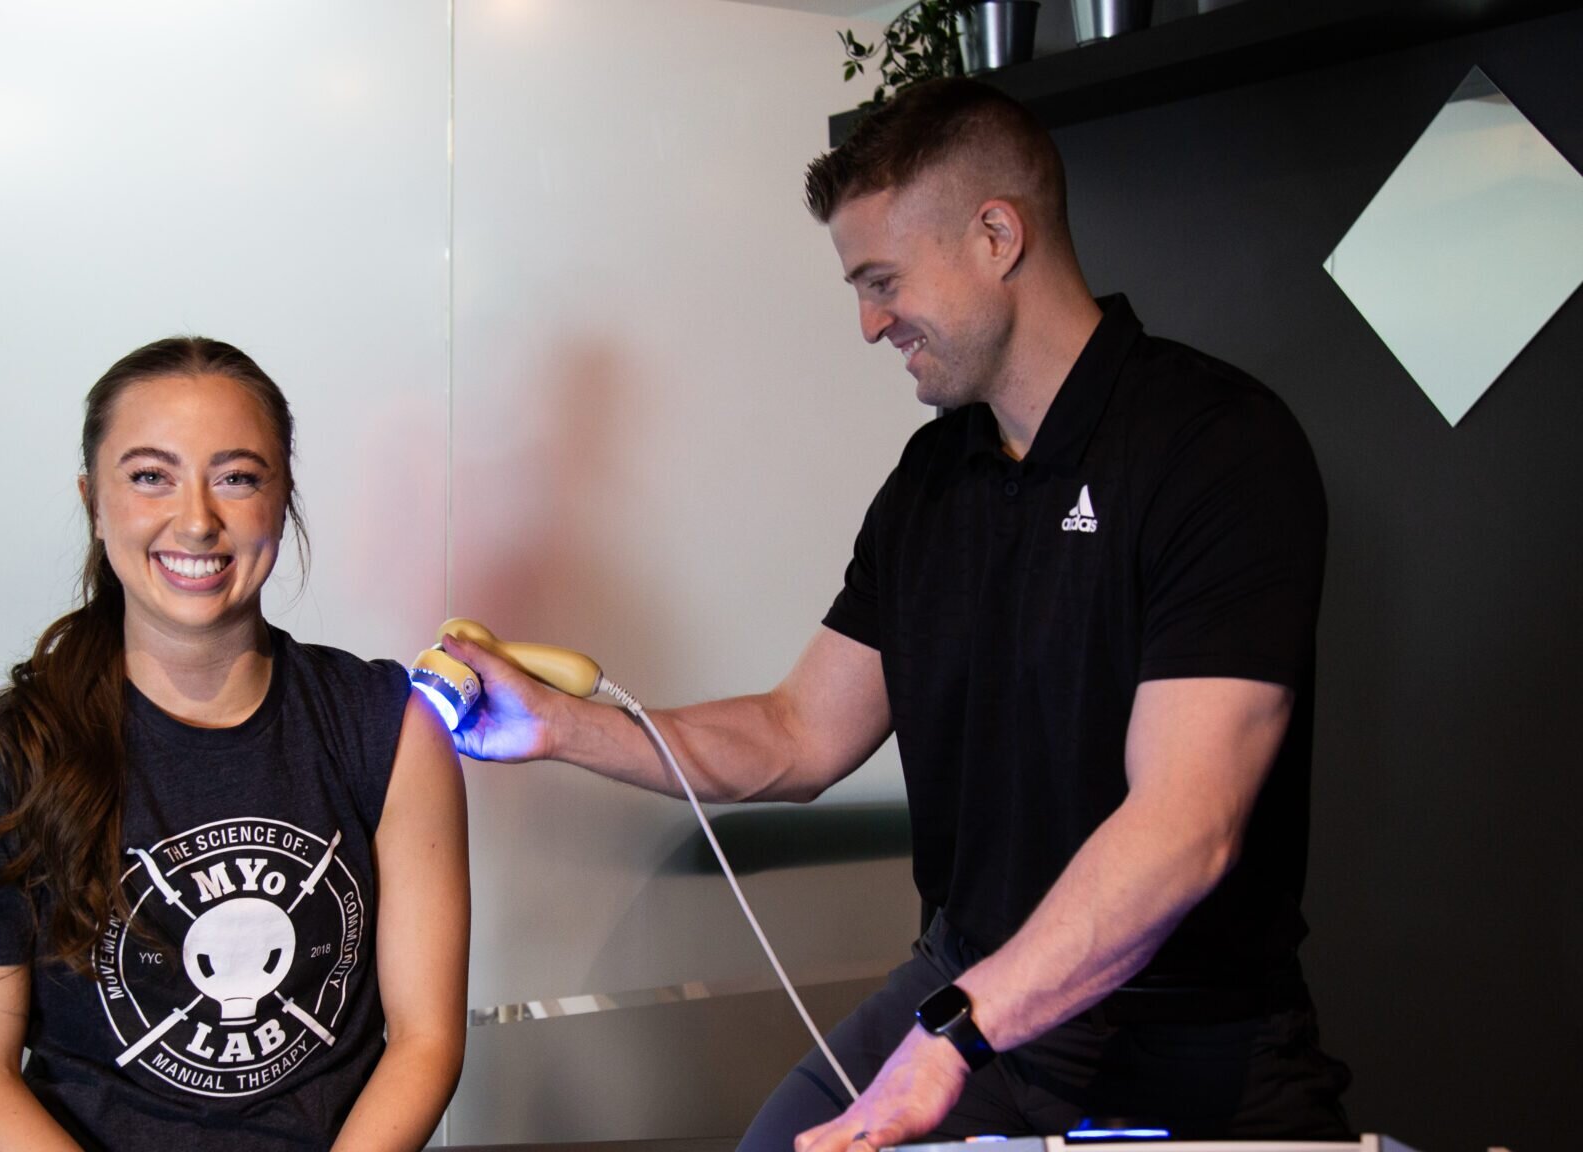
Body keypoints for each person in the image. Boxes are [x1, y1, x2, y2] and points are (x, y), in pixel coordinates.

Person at [446, 78, 1351, 1148]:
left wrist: (951, 1040)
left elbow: (1180, 830)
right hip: (961, 990)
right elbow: (796, 734)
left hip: (1182, 1036)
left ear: (994, 236)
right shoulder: (931, 480)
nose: (870, 323)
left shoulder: (1212, 448)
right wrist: (555, 728)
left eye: (882, 281)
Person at [0, 338, 468, 1152]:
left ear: (282, 501)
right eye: (149, 477)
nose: (198, 519)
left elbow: (427, 1042)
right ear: (93, 503)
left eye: (237, 477)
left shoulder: (392, 725)